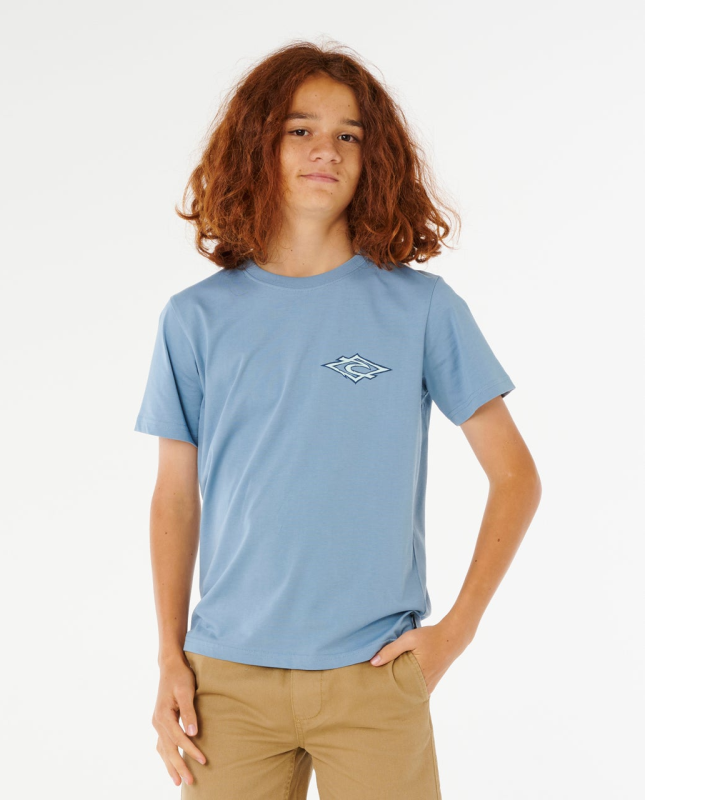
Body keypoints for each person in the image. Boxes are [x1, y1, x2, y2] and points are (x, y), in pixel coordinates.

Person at [134, 40, 541, 799]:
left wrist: (455, 632)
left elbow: (515, 476)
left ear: (372, 158)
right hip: (227, 683)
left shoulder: (421, 308)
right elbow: (175, 500)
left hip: (375, 676)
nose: (326, 150)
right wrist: (169, 658)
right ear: (258, 145)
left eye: (349, 135)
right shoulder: (195, 319)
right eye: (301, 130)